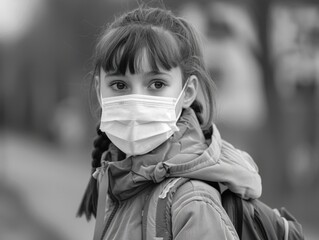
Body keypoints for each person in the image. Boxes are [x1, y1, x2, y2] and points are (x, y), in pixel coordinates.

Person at [77, 5, 262, 240]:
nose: (138, 103)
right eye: (119, 85)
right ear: (99, 89)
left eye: (156, 84)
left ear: (187, 92)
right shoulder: (117, 179)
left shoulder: (193, 203)